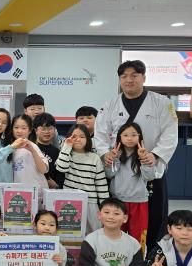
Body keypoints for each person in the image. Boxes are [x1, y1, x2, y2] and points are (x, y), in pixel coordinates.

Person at [95, 59, 178, 249]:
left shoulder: (161, 103)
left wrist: (155, 155)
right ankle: (114, 254)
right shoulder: (110, 105)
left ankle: (150, 256)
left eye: (134, 75)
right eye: (124, 76)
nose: (129, 80)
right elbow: (100, 134)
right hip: (119, 168)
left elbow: (170, 133)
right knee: (116, 218)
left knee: (153, 218)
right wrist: (105, 154)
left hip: (150, 168)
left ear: (144, 77)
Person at [105, 122, 164, 251]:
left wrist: (144, 159)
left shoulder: (144, 155)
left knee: (138, 236)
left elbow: (149, 177)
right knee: (116, 235)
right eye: (125, 135)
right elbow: (109, 174)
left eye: (133, 135)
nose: (129, 138)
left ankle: (137, 261)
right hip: (118, 202)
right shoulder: (115, 154)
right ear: (120, 137)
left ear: (139, 137)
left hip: (139, 202)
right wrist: (114, 159)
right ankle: (115, 259)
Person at [55, 124, 109, 234]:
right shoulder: (67, 154)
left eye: (82, 136)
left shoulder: (94, 157)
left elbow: (101, 184)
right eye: (74, 136)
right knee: (70, 234)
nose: (78, 139)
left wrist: (105, 207)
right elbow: (61, 168)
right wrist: (66, 146)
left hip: (90, 202)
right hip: (70, 201)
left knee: (93, 233)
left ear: (88, 139)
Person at [10, 114, 48, 191]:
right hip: (18, 191)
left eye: (24, 128)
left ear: (30, 130)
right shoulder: (9, 148)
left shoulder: (33, 146)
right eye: (16, 127)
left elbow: (43, 170)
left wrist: (32, 151)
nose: (19, 131)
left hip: (36, 190)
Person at [32, 113, 65, 189]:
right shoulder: (31, 148)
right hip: (32, 188)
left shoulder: (57, 152)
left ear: (54, 130)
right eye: (43, 129)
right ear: (36, 130)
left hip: (50, 191)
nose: (47, 132)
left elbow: (60, 174)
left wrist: (56, 185)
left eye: (50, 128)